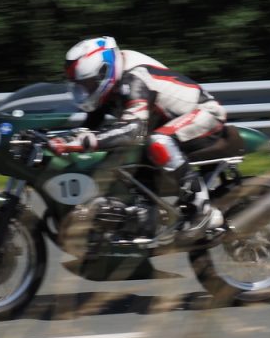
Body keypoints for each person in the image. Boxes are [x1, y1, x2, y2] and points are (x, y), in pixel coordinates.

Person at [49, 36, 226, 237]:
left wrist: (84, 142)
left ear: (104, 72)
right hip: (164, 124)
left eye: (88, 84)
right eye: (80, 86)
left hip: (205, 113)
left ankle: (202, 209)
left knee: (159, 142)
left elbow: (133, 130)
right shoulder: (110, 84)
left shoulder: (134, 78)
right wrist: (62, 139)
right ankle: (143, 218)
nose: (85, 91)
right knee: (124, 160)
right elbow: (89, 127)